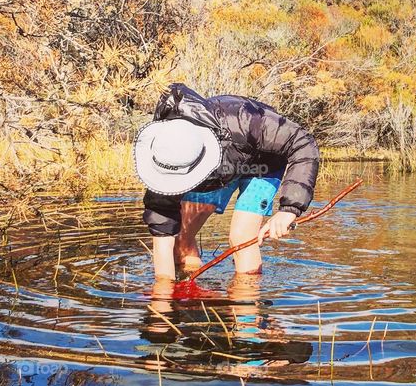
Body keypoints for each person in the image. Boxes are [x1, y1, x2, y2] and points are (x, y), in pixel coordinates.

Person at [134, 83, 320, 279]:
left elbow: (302, 143)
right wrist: (163, 298)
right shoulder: (164, 154)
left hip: (263, 162)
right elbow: (162, 231)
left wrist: (289, 209)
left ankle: (245, 305)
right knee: (182, 235)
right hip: (219, 169)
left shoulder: (245, 121)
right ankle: (189, 295)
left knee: (241, 237)